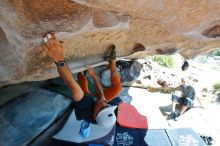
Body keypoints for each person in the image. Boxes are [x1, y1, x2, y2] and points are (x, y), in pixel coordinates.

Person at [43, 32, 122, 128]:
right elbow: (101, 94)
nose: (103, 104)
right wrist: (93, 76)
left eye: (102, 108)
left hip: (86, 100)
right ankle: (112, 61)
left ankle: (80, 73)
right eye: (107, 106)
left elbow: (70, 82)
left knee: (83, 83)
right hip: (94, 102)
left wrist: (58, 57)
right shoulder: (103, 106)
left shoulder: (85, 107)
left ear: (94, 115)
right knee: (117, 88)